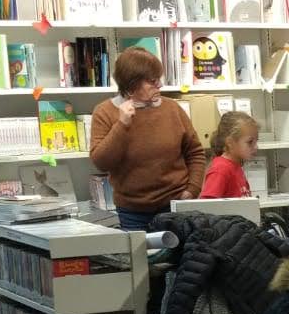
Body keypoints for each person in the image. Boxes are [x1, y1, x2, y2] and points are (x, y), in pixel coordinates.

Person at [89, 46, 206, 232]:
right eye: (152, 81)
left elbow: (195, 153)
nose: (160, 85)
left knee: (184, 251)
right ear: (131, 85)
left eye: (158, 78)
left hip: (176, 204)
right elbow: (101, 163)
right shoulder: (105, 112)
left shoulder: (172, 109)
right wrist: (122, 125)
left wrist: (192, 189)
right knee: (140, 252)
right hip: (132, 212)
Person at [198, 110, 259, 198]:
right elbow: (208, 203)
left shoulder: (236, 166)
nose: (256, 147)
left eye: (256, 141)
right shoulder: (220, 169)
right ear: (230, 142)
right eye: (250, 142)